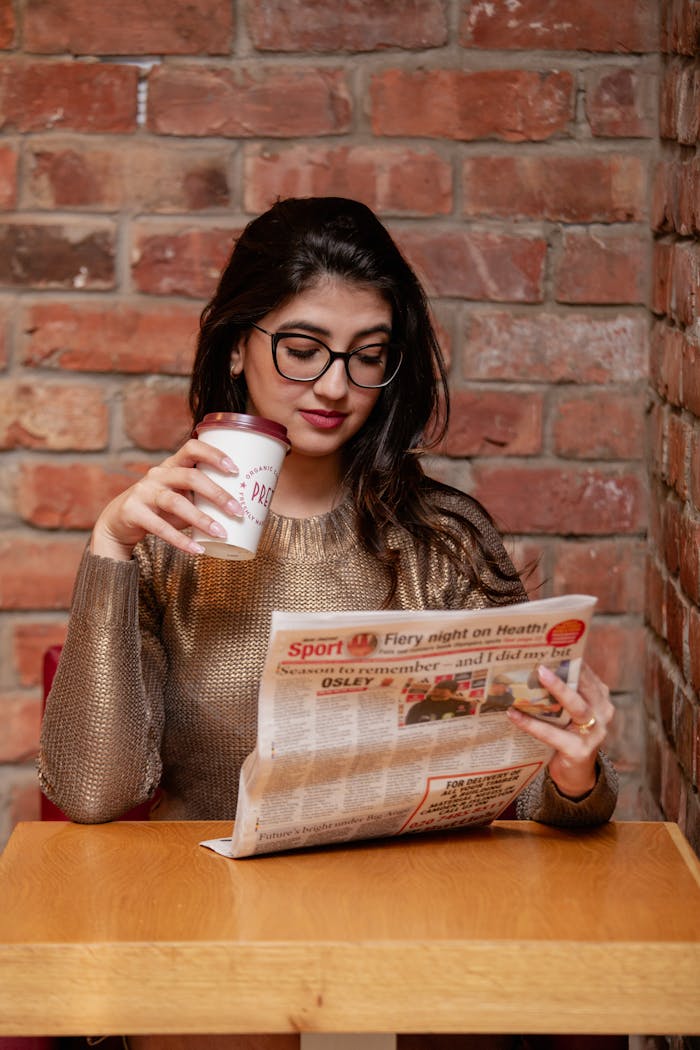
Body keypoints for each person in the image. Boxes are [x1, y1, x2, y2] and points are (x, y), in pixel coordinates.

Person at [38, 197, 618, 1050]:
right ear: (239, 345)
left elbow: (524, 792)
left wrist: (573, 775)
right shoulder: (167, 541)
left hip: (419, 911)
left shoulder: (442, 538)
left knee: (471, 1010)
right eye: (303, 350)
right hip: (211, 916)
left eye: (367, 357)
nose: (336, 385)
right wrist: (110, 547)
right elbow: (92, 792)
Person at [405, 679, 475, 722]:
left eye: (443, 688)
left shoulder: (461, 705)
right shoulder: (418, 706)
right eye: (437, 687)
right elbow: (409, 724)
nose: (438, 690)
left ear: (453, 693)